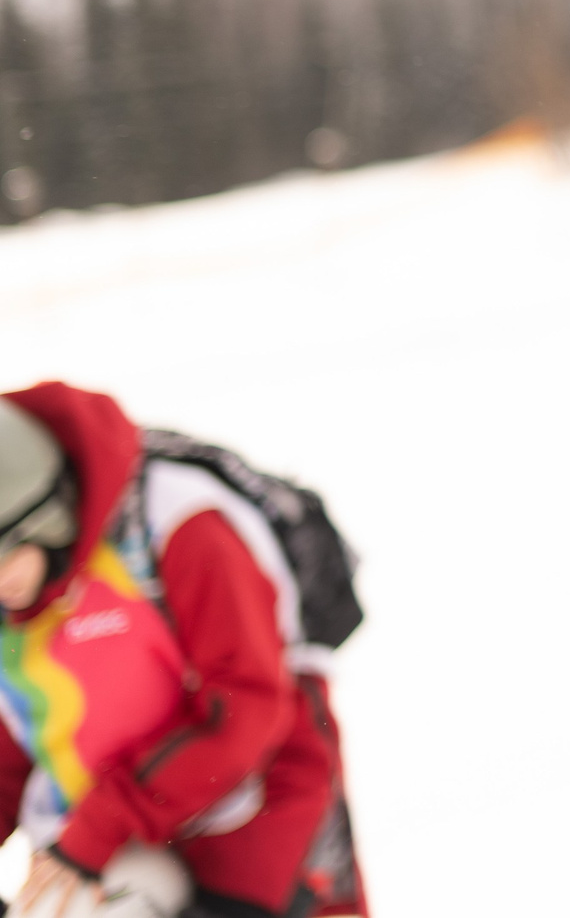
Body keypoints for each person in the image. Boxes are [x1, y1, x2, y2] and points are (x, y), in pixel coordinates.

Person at [0, 384, 357, 918]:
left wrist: (101, 828)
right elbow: (15, 727)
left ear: (48, 516)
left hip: (254, 814)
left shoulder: (181, 522)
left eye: (5, 557)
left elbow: (249, 709)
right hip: (109, 832)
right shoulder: (16, 590)